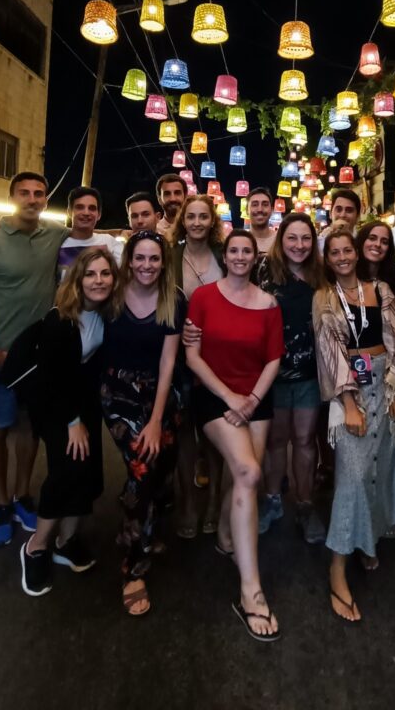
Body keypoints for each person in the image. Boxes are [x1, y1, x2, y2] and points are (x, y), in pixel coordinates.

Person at [0, 172, 68, 547]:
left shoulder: (54, 234)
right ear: (12, 197)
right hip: (1, 356)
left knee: (28, 428)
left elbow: (95, 239)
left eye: (39, 193)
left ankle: (22, 495)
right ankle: (0, 504)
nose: (32, 199)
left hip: (38, 358)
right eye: (24, 193)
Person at [186, 230, 284, 641]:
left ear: (255, 257)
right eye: (234, 251)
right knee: (247, 471)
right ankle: (251, 591)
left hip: (257, 396)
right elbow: (192, 355)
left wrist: (252, 399)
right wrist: (230, 397)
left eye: (247, 251)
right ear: (224, 256)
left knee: (245, 473)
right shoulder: (204, 297)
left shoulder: (268, 303)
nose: (241, 256)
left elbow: (274, 356)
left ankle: (226, 537)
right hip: (213, 395)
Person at [313, 225, 395, 622]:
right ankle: (337, 567)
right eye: (333, 252)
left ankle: (367, 539)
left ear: (357, 253)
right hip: (349, 390)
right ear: (328, 258)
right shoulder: (324, 298)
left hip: (385, 382)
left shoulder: (380, 291)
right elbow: (331, 352)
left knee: (381, 467)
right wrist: (349, 403)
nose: (341, 257)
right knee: (352, 476)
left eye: (346, 250)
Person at [19, 249, 119, 597]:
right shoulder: (60, 321)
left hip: (82, 403)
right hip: (55, 407)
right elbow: (50, 379)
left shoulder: (104, 313)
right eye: (91, 274)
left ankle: (67, 540)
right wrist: (73, 421)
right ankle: (37, 546)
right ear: (78, 279)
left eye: (105, 274)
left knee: (88, 473)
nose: (98, 281)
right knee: (64, 472)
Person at [100, 230, 185, 615]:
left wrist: (156, 419)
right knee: (140, 463)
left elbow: (169, 362)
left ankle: (142, 526)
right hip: (118, 393)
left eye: (154, 259)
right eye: (140, 258)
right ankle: (133, 565)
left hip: (162, 393)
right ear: (129, 260)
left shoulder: (173, 300)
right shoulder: (111, 297)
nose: (147, 266)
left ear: (163, 263)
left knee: (162, 465)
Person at [256, 212, 326, 543]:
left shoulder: (321, 275)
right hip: (272, 372)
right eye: (292, 238)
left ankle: (304, 504)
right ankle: (272, 501)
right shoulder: (264, 272)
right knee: (276, 441)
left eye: (306, 239)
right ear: (281, 240)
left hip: (312, 373)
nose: (299, 245)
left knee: (304, 440)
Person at [170, 194, 226, 537]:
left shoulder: (223, 253)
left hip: (218, 354)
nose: (196, 223)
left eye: (203, 217)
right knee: (183, 431)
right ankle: (189, 502)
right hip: (176, 353)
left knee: (214, 432)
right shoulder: (170, 256)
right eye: (191, 217)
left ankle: (217, 501)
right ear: (182, 221)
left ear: (212, 221)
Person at [58, 186, 124, 280]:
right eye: (80, 207)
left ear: (99, 214)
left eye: (92, 208)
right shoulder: (57, 242)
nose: (86, 212)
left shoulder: (109, 242)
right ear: (69, 212)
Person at [356, 220, 395, 296]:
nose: (378, 244)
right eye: (372, 238)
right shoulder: (349, 277)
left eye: (384, 242)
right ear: (361, 241)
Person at [317, 189, 361, 253]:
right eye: (339, 210)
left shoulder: (362, 243)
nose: (343, 215)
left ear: (357, 216)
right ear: (330, 214)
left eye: (349, 210)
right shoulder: (319, 243)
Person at [155, 173, 187, 239]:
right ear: (159, 200)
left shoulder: (195, 228)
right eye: (167, 194)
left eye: (177, 193)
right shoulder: (154, 231)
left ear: (185, 197)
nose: (173, 199)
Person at [246, 187, 275, 255]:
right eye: (255, 205)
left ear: (272, 210)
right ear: (247, 211)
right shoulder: (240, 240)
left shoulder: (281, 240)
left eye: (265, 205)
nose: (260, 210)